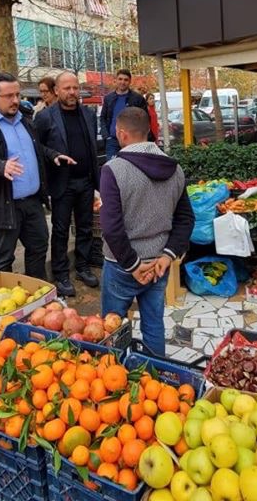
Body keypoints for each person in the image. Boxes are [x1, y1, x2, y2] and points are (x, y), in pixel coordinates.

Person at [0, 73, 74, 278]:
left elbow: (34, 148)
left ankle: (37, 291)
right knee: (2, 259)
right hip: (2, 204)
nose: (15, 100)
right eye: (8, 96)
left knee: (38, 248)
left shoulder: (25, 119)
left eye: (17, 95)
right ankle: (4, 296)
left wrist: (52, 155)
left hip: (33, 202)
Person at [98, 107, 194, 356]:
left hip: (121, 264)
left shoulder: (113, 170)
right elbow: (186, 218)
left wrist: (133, 264)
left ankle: (114, 372)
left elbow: (111, 227)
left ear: (121, 134)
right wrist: (168, 255)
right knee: (153, 324)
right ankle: (155, 373)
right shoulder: (175, 169)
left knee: (111, 328)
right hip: (159, 262)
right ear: (148, 131)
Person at [34, 71, 100, 296]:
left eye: (75, 88)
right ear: (56, 91)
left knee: (85, 227)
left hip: (86, 181)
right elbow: (37, 147)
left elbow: (92, 147)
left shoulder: (88, 114)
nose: (72, 92)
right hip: (62, 183)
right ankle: (61, 274)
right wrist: (53, 154)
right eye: (67, 88)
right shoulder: (45, 117)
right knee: (61, 230)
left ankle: (82, 266)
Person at [99, 69, 147, 159]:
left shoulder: (138, 99)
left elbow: (145, 119)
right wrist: (106, 136)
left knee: (132, 166)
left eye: (126, 80)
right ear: (116, 80)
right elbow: (103, 118)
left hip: (132, 141)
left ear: (130, 81)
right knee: (112, 166)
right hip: (112, 141)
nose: (122, 82)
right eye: (120, 79)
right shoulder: (108, 98)